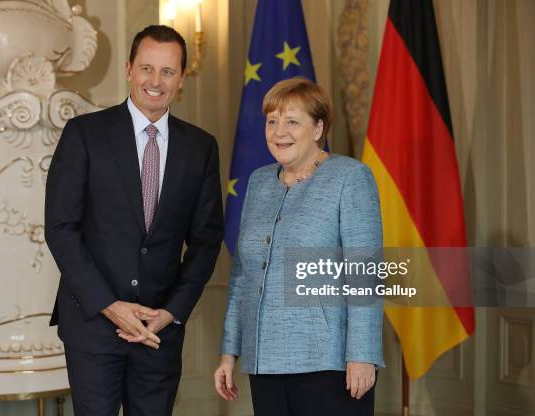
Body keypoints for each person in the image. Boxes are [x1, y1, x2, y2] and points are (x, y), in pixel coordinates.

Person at [45, 25, 224, 416]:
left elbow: (207, 240)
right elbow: (60, 227)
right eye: (146, 68)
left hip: (159, 331)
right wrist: (109, 305)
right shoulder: (84, 134)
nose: (154, 81)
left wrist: (172, 311)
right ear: (129, 69)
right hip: (93, 323)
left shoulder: (200, 148)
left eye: (167, 71)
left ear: (181, 79)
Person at [214, 77, 384, 416]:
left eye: (292, 121)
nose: (279, 132)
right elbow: (243, 276)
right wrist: (228, 352)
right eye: (272, 121)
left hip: (329, 364)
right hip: (265, 361)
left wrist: (362, 355)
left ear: (318, 128)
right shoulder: (260, 182)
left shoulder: (350, 178)